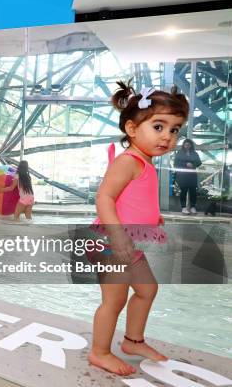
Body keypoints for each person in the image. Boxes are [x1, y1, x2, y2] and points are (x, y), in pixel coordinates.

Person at [88, 82, 189, 376]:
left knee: (147, 289)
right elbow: (104, 197)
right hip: (111, 242)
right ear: (132, 129)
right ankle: (100, 352)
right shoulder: (128, 161)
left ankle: (133, 341)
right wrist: (118, 237)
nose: (167, 137)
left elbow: (132, 200)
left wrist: (152, 218)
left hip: (127, 243)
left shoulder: (144, 162)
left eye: (174, 130)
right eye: (158, 127)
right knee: (115, 299)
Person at [174, 138, 202, 214]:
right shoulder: (179, 153)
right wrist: (185, 164)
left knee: (193, 191)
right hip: (183, 175)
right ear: (183, 145)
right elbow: (176, 164)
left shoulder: (194, 153)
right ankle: (183, 207)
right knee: (183, 191)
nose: (187, 146)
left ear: (191, 145)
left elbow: (199, 162)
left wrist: (193, 164)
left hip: (192, 175)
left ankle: (193, 207)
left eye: (189, 145)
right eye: (186, 144)